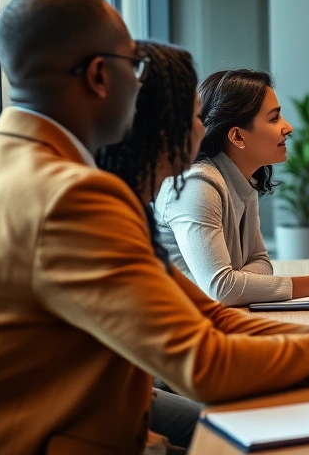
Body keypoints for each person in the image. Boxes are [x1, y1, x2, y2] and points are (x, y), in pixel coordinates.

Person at [0, 0, 309, 454]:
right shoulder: (74, 195)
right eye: (133, 67)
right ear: (98, 75)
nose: (140, 85)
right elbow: (203, 360)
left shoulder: (24, 168)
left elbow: (209, 312)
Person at [155, 69, 309, 306]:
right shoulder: (197, 186)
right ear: (238, 137)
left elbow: (261, 260)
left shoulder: (243, 179)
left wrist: (241, 280)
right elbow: (221, 288)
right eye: (274, 118)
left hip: (215, 318)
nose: (288, 127)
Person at [95, 40, 207, 451]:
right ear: (165, 129)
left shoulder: (135, 204)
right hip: (111, 406)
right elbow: (212, 306)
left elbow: (206, 309)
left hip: (138, 387)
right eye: (196, 116)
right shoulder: (104, 209)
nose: (204, 129)